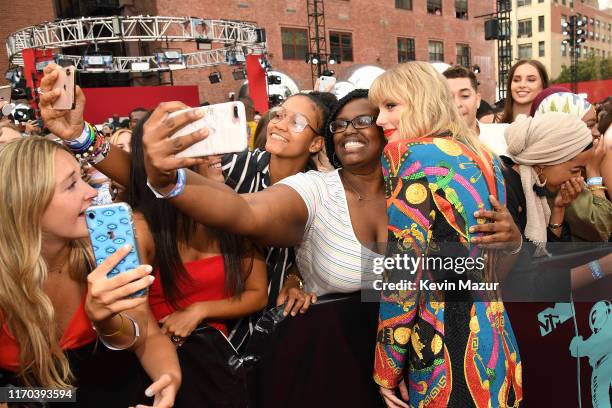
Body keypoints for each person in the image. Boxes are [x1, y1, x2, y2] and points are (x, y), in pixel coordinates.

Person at [369, 61, 522, 408]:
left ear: (422, 101)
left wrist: (386, 370)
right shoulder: (484, 156)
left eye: (391, 106)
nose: (380, 120)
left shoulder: (406, 154)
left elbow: (403, 273)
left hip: (444, 348)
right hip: (496, 341)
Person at [0, 137, 180, 407]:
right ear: (27, 204)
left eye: (83, 177)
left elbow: (147, 336)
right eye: (71, 185)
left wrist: (169, 378)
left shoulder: (106, 251)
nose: (92, 192)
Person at [127, 119, 268, 407]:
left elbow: (257, 294)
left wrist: (199, 310)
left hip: (220, 363)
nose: (217, 156)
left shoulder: (232, 215)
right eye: (202, 148)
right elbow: (134, 320)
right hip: (155, 364)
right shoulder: (142, 227)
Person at [528, 88, 612, 242]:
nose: (596, 132)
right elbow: (603, 226)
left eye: (596, 124)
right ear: (564, 131)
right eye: (589, 125)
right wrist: (593, 172)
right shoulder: (563, 173)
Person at [443, 65, 510, 155]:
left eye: (465, 96)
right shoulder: (432, 147)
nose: (457, 104)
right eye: (449, 97)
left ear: (478, 100)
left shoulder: (505, 135)